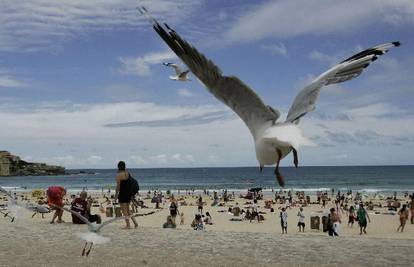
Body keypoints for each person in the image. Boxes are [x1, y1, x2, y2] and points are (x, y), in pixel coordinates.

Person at [115, 161, 138, 229]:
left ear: (118, 167)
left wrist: (116, 195)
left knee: (124, 210)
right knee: (128, 210)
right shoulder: (127, 173)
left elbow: (118, 186)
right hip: (128, 193)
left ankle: (128, 225)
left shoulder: (118, 175)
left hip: (122, 194)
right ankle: (135, 222)